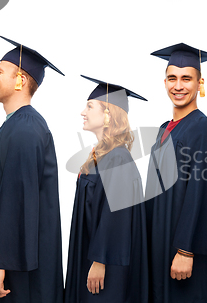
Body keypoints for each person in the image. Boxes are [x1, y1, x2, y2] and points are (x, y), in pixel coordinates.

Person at [0, 36, 65, 303]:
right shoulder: (18, 125)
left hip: (14, 275)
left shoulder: (25, 129)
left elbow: (17, 201)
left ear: (20, 80)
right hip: (9, 263)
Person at [145, 43, 207, 302]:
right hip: (161, 240)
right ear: (164, 82)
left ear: (200, 83)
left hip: (185, 249)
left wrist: (186, 250)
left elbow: (205, 192)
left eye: (187, 79)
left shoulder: (205, 130)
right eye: (172, 78)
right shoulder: (165, 129)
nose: (178, 86)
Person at [64, 76, 148, 303]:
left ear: (108, 114)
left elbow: (116, 215)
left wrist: (100, 260)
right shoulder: (101, 155)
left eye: (90, 106)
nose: (83, 112)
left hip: (106, 265)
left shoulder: (118, 158)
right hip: (91, 255)